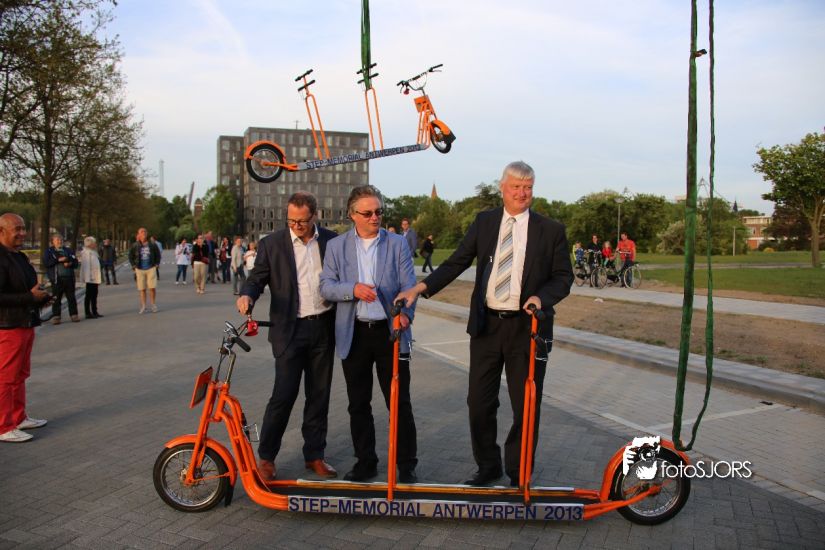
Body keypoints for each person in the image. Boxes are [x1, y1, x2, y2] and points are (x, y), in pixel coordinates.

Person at [395, 161, 573, 487]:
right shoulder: (485, 222)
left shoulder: (551, 230)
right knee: (478, 403)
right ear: (502, 188)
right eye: (516, 186)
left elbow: (563, 277)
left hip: (526, 328)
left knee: (526, 405)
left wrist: (541, 298)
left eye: (528, 187)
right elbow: (457, 261)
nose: (522, 193)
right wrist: (419, 288)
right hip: (486, 327)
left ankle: (519, 473)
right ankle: (488, 466)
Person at [319, 185, 419, 483]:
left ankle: (406, 464)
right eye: (368, 213)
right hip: (355, 334)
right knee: (358, 404)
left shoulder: (397, 243)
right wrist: (352, 289)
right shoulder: (336, 246)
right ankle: (366, 462)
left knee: (399, 402)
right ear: (352, 215)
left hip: (390, 334)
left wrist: (404, 314)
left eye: (378, 211)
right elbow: (326, 287)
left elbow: (409, 286)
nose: (375, 217)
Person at [237, 192, 338, 481]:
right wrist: (247, 295)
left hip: (323, 328)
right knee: (283, 395)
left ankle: (315, 455)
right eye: (291, 220)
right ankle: (267, 457)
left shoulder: (331, 241)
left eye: (302, 221)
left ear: (315, 216)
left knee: (319, 396)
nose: (296, 226)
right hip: (289, 331)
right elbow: (257, 278)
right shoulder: (272, 244)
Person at [0, 213, 51, 443]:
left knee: (20, 374)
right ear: (2, 231)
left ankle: (18, 417)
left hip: (25, 322)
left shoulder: (18, 256)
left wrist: (41, 298)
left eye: (23, 228)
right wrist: (29, 297)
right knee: (6, 377)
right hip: (8, 326)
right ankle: (4, 426)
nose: (22, 233)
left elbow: (28, 288)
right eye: (17, 229)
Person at [43, 233, 79, 324]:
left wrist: (70, 263)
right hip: (57, 279)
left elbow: (76, 262)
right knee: (56, 298)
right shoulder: (49, 251)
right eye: (57, 240)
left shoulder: (68, 250)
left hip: (69, 278)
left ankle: (74, 315)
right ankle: (56, 316)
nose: (60, 241)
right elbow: (46, 263)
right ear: (53, 242)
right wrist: (58, 260)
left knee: (71, 297)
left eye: (61, 240)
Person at [128, 227, 160, 314]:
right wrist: (133, 266)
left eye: (145, 232)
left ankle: (153, 305)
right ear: (138, 234)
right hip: (139, 269)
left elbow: (158, 254)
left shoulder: (152, 244)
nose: (144, 233)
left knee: (152, 288)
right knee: (142, 288)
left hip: (151, 268)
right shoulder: (135, 245)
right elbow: (130, 256)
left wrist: (157, 264)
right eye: (142, 232)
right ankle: (143, 306)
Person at [79, 236, 103, 319]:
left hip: (94, 277)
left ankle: (94, 311)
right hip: (90, 278)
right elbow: (86, 266)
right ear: (89, 244)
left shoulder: (93, 252)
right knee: (89, 295)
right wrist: (88, 278)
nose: (95, 244)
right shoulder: (86, 253)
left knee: (94, 294)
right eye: (94, 243)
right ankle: (87, 313)